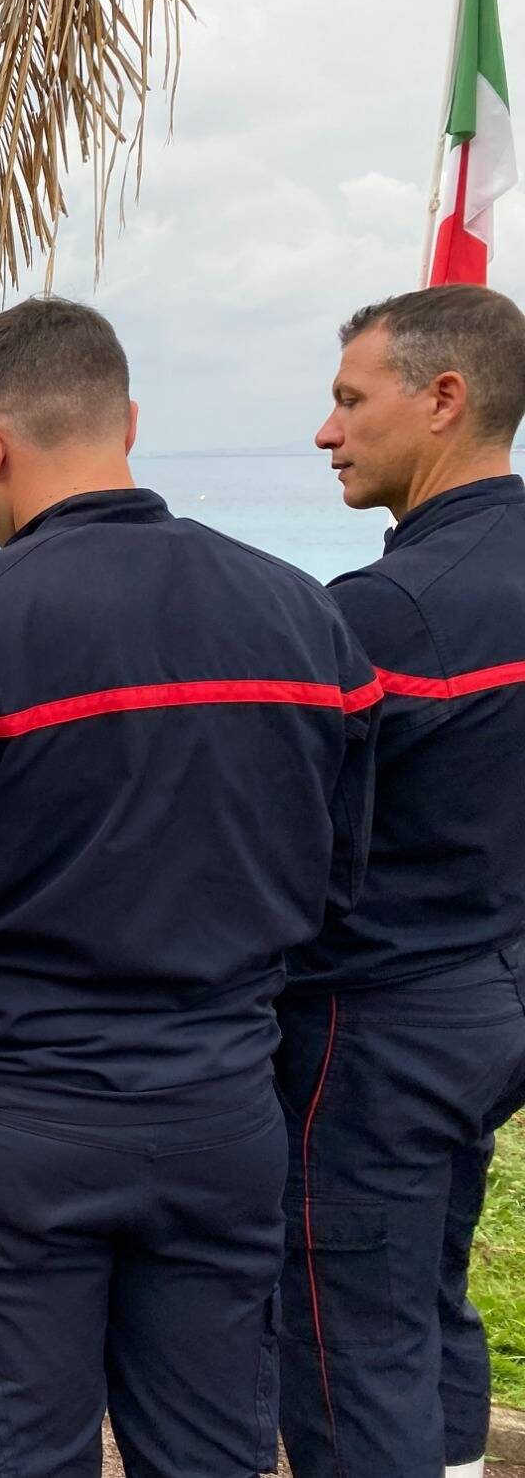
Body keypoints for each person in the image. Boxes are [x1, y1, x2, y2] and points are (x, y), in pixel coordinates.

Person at [0, 297, 379, 1478]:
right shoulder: (302, 617)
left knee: (12, 1449)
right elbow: (336, 883)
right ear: (128, 422)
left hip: (12, 1125)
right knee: (209, 1450)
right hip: (219, 1115)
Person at [278, 285, 525, 1478]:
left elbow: (286, 838)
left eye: (345, 400)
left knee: (345, 1334)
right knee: (426, 1286)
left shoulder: (386, 613)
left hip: (375, 1021)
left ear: (441, 400)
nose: (326, 434)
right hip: (495, 999)